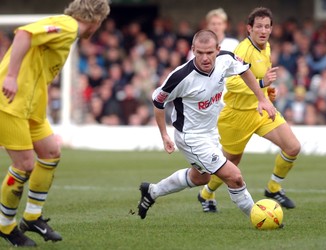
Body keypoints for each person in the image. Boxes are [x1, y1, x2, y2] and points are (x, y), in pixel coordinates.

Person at [0, 0, 110, 247]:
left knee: (50, 153)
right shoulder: (68, 25)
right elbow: (24, 34)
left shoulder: (67, 33)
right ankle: (5, 226)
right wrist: (10, 76)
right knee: (24, 164)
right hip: (9, 104)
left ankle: (31, 217)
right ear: (97, 19)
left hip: (31, 107)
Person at [137, 29, 276, 220]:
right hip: (190, 136)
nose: (205, 57)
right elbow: (158, 101)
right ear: (193, 50)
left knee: (201, 177)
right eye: (200, 52)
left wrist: (262, 99)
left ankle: (151, 191)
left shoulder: (226, 59)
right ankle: (259, 217)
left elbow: (244, 71)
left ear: (218, 50)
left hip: (210, 132)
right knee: (234, 176)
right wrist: (164, 135)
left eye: (209, 52)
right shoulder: (180, 77)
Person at [197, 7, 301, 213]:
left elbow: (264, 76)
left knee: (292, 147)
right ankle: (206, 194)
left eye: (267, 27)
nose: (263, 31)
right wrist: (262, 82)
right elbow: (232, 83)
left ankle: (273, 188)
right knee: (230, 163)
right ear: (249, 29)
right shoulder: (243, 51)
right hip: (236, 115)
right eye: (259, 27)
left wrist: (268, 91)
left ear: (271, 29)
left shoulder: (266, 47)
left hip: (259, 110)